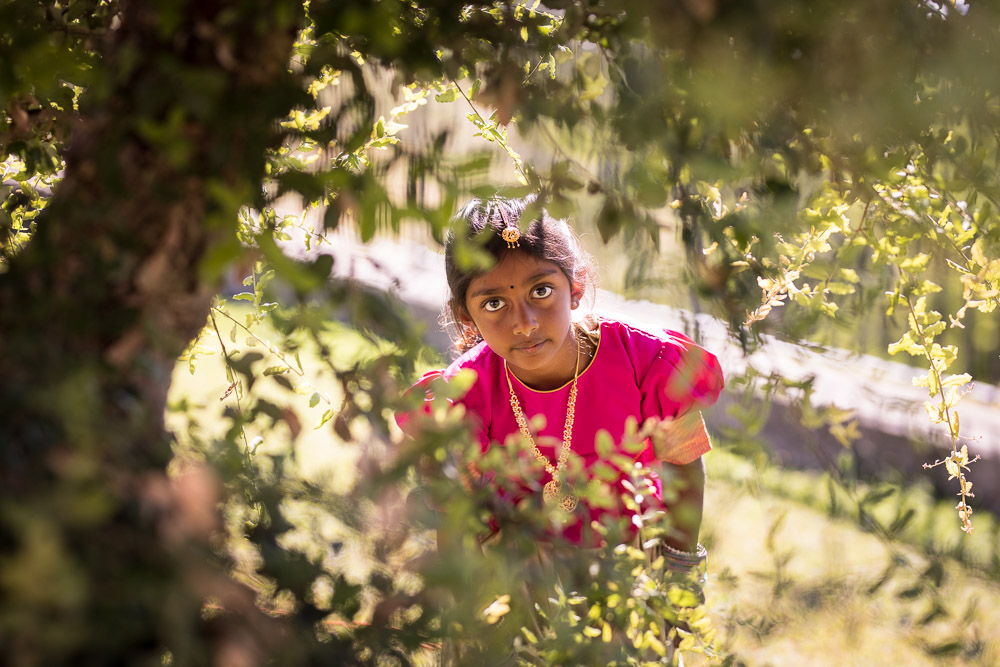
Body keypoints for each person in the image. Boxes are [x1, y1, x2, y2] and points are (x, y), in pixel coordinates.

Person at [398, 195, 723, 661]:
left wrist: (680, 573)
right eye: (494, 302)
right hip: (512, 585)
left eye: (541, 291)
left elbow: (684, 466)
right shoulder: (461, 398)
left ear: (577, 284)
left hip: (630, 572)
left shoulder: (645, 362)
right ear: (465, 314)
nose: (524, 323)